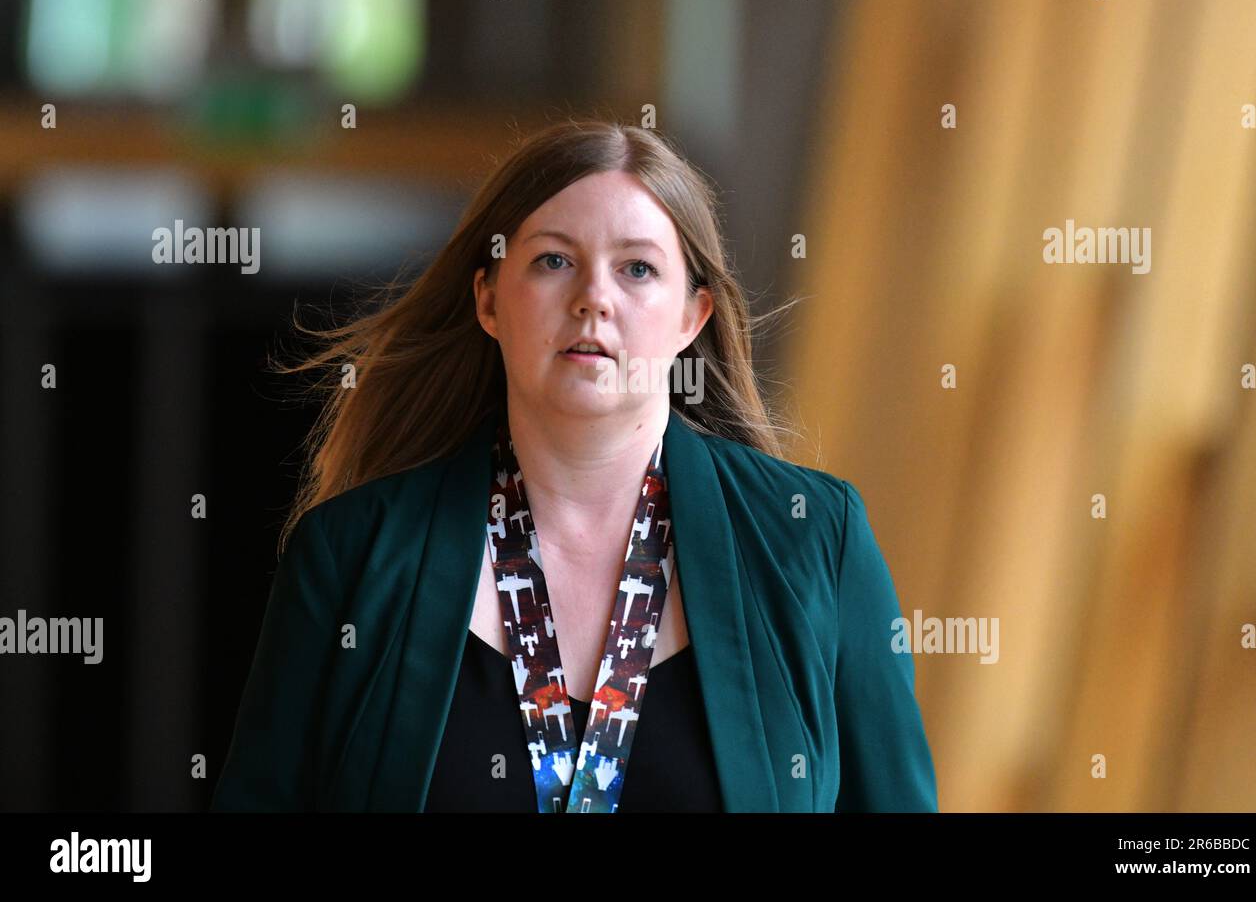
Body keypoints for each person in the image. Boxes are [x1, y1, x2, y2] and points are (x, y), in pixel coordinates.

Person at [210, 119, 938, 812]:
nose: (594, 299)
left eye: (638, 269)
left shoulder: (816, 544)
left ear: (694, 316)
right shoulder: (348, 556)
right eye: (554, 260)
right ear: (489, 298)